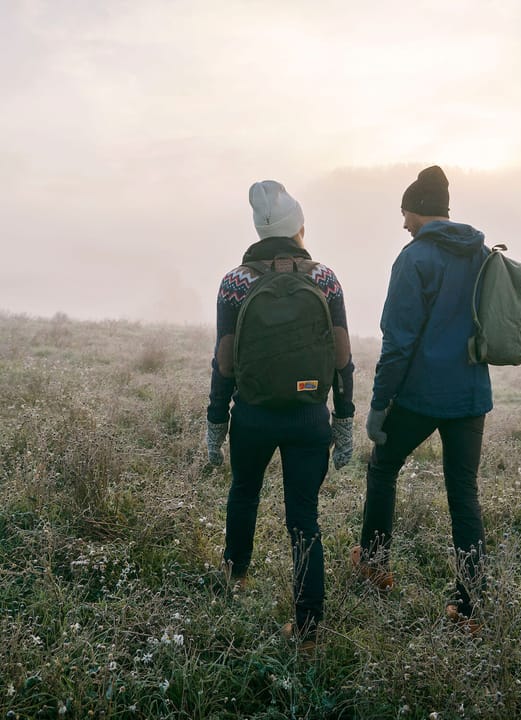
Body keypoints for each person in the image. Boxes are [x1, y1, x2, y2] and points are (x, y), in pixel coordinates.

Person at [206, 180, 355, 649]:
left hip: (251, 414)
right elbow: (343, 357)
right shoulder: (325, 279)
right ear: (298, 229)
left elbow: (224, 362)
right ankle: (309, 633)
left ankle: (236, 578)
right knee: (304, 520)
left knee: (244, 492)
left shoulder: (235, 282)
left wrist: (216, 424)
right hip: (310, 417)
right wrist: (344, 421)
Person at [352, 165, 492, 629]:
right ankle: (470, 607)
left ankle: (373, 565)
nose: (403, 223)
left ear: (419, 211)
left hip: (420, 394)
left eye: (405, 213)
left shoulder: (414, 259)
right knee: (463, 492)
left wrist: (378, 405)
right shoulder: (481, 254)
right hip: (470, 393)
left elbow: (397, 340)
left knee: (383, 466)